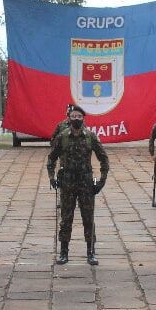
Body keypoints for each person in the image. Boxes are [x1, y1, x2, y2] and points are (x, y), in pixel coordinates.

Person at [47, 105, 110, 265]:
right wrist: (52, 177)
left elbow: (104, 158)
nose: (76, 119)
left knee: (88, 218)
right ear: (69, 118)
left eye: (79, 117)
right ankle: (63, 252)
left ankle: (90, 252)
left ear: (83, 118)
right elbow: (51, 158)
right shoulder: (63, 137)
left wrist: (102, 180)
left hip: (86, 183)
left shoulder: (90, 136)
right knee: (66, 218)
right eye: (73, 116)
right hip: (67, 183)